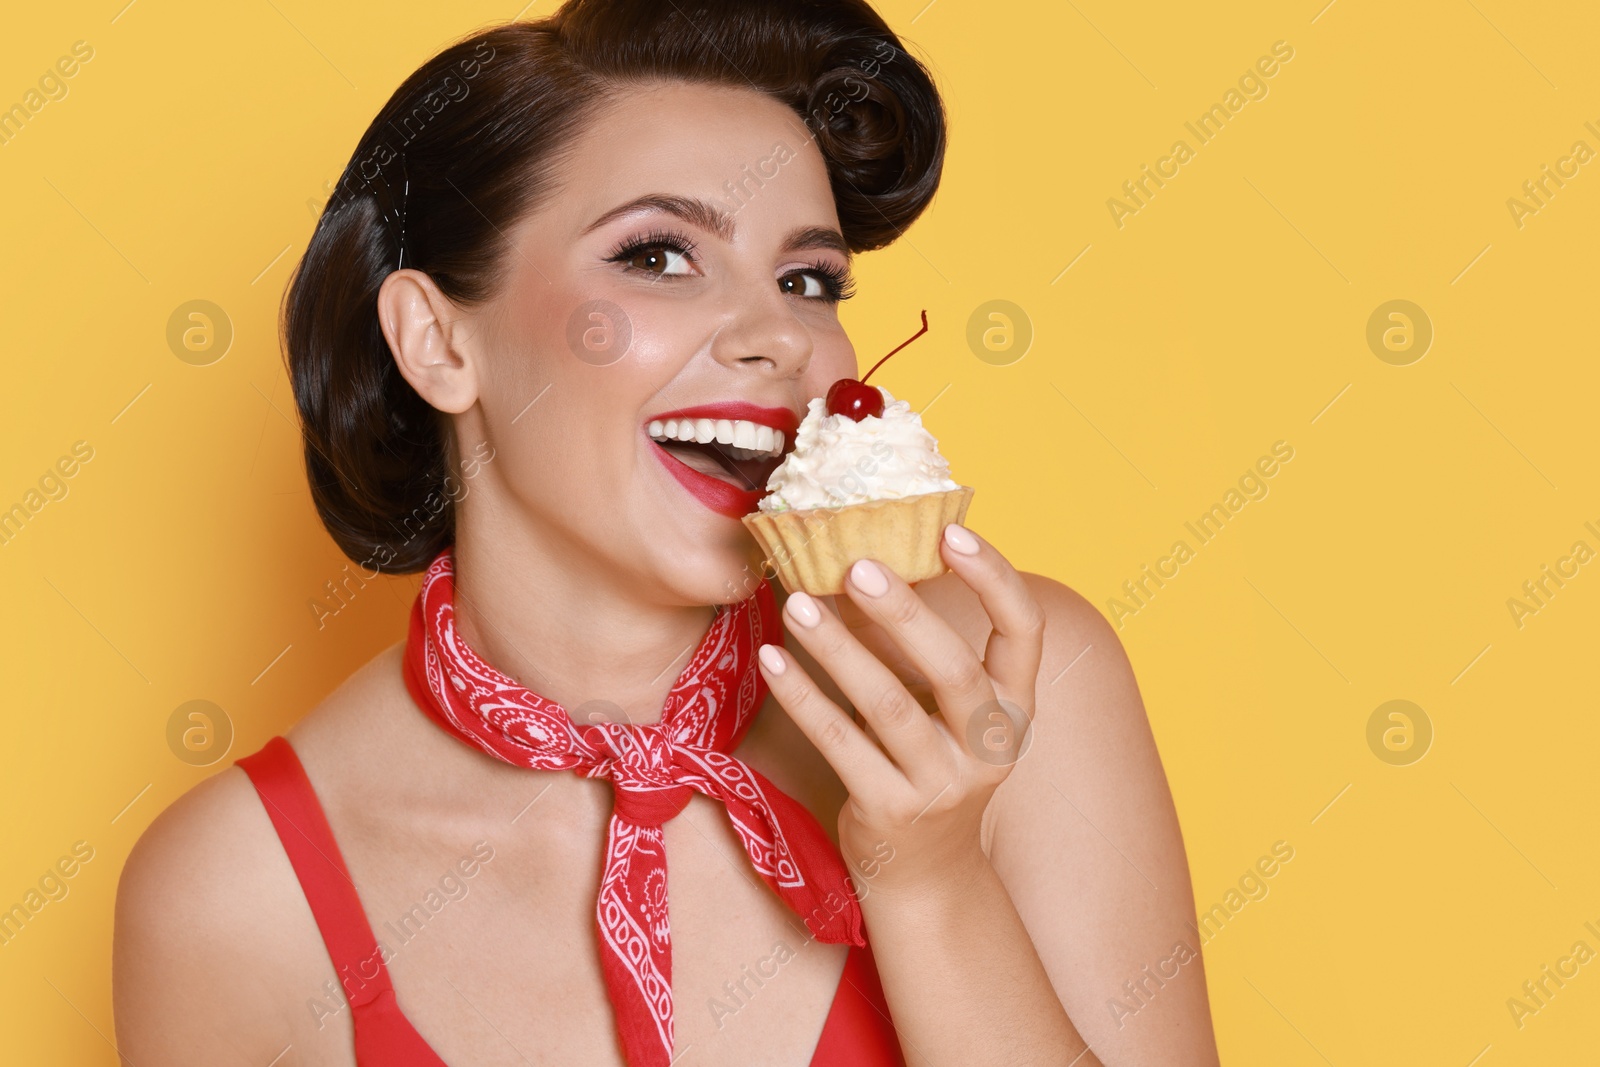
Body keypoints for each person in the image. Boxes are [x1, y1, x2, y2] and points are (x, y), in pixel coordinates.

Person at [113, 2, 1220, 1063]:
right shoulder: (234, 894)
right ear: (438, 342)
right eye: (656, 255)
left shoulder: (1006, 687)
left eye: (807, 278)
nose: (775, 336)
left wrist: (932, 886)